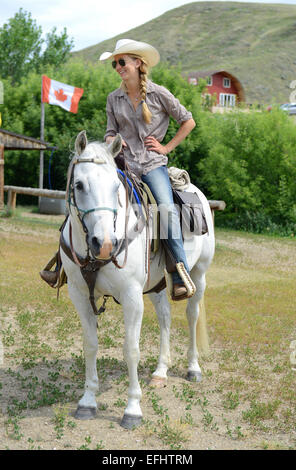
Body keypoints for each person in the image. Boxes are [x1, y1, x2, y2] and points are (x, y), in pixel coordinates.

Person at [99, 39, 196, 300]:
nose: (118, 67)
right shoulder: (113, 99)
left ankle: (179, 274)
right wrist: (112, 140)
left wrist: (166, 148)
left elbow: (188, 121)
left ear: (138, 63)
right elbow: (109, 132)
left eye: (122, 62)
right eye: (114, 63)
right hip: (124, 165)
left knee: (165, 209)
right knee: (93, 196)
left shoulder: (158, 93)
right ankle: (66, 264)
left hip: (152, 166)